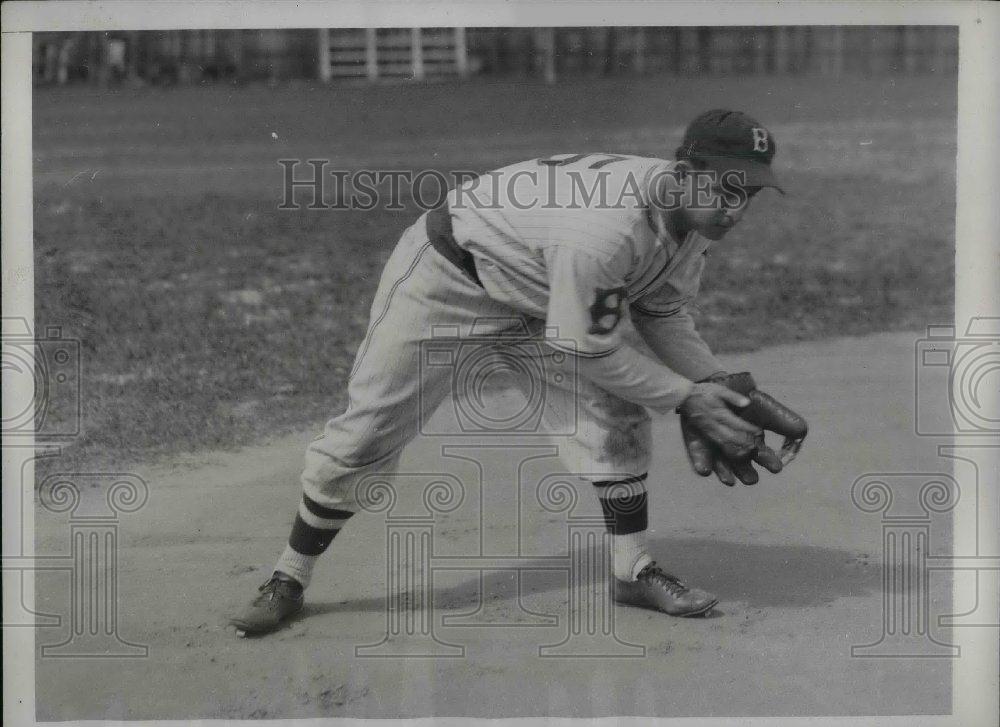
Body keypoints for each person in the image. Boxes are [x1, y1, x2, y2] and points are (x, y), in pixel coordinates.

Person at [230, 109, 791, 635]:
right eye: (726, 188)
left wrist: (718, 385)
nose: (736, 209)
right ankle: (289, 575)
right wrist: (687, 397)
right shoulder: (607, 228)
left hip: (544, 287)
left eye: (750, 192)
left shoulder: (690, 221)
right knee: (371, 429)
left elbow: (662, 308)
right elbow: (585, 346)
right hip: (452, 273)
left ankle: (632, 570)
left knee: (613, 415)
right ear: (684, 171)